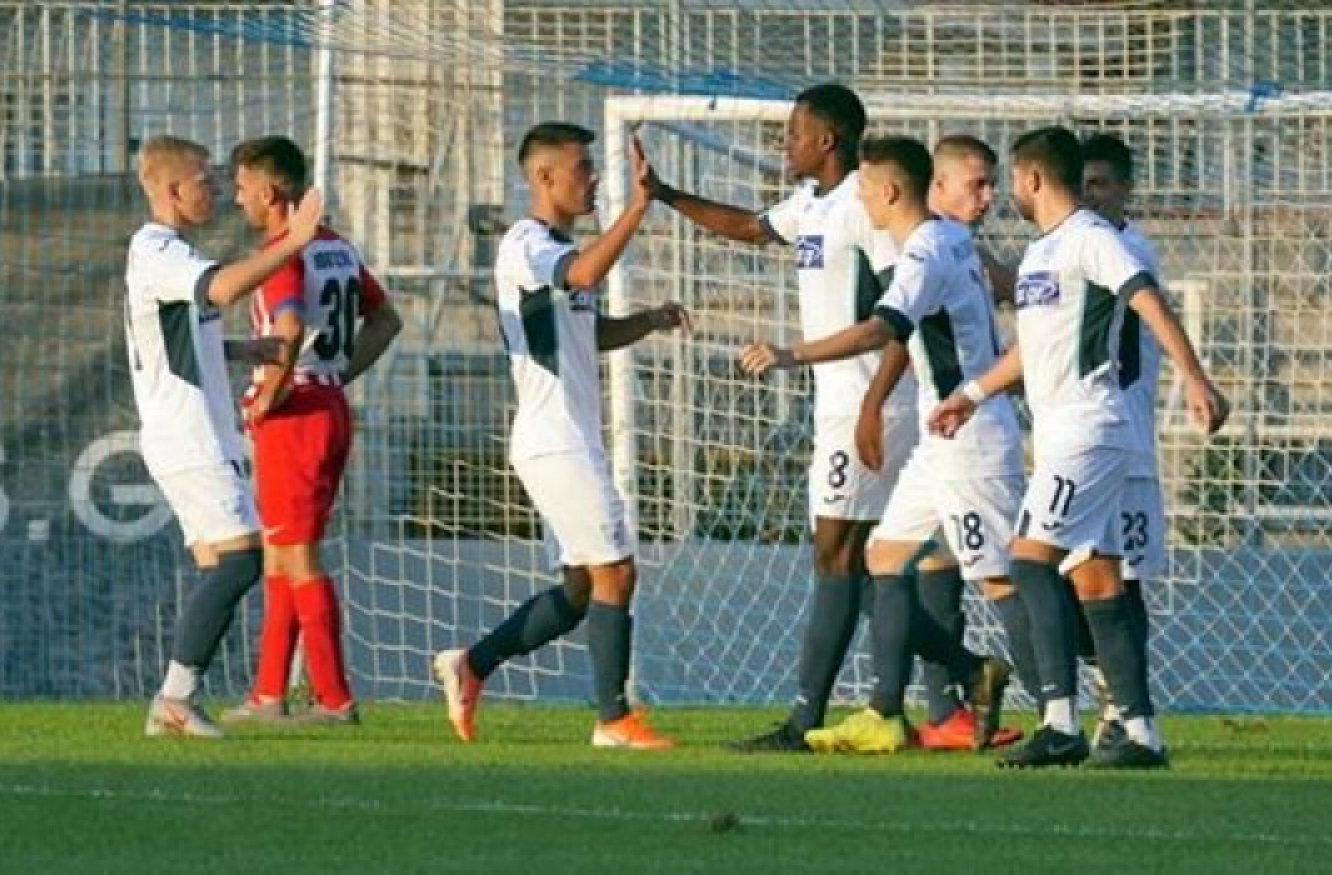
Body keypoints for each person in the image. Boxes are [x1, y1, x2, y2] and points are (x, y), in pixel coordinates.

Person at [929, 126, 1228, 768]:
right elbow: (1034, 350)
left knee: (1029, 562)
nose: (1009, 192)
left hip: (1092, 430)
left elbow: (1146, 297)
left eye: (1013, 179)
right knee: (1097, 582)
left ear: (1033, 179)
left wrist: (1194, 376)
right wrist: (970, 395)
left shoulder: (1093, 238)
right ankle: (1141, 733)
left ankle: (1059, 722)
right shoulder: (1043, 253)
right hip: (1069, 433)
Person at [644, 82, 920, 753]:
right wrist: (666, 195)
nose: (784, 142)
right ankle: (957, 676)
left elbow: (903, 316)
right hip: (839, 402)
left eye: (794, 131)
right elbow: (748, 227)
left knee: (838, 554)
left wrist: (873, 406)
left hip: (869, 403)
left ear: (827, 139)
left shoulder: (865, 206)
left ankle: (806, 720)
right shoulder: (809, 203)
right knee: (859, 558)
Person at [738, 137, 1015, 754]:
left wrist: (800, 360)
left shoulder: (925, 247)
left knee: (998, 578)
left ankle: (1064, 709)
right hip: (939, 428)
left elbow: (887, 328)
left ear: (891, 189)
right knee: (888, 559)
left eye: (864, 189)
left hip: (957, 430)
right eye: (978, 184)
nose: (858, 198)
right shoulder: (949, 242)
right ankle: (909, 704)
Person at [433, 122, 690, 749]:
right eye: (582, 167)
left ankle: (473, 664)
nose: (594, 178)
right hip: (555, 439)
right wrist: (639, 208)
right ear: (545, 177)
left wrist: (648, 321)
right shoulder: (527, 244)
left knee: (580, 589)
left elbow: (587, 330)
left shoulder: (555, 250)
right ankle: (613, 720)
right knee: (616, 572)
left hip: (569, 438)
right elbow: (582, 276)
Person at [124, 135, 322, 737]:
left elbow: (174, 337)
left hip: (194, 434)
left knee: (222, 563)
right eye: (204, 181)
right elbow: (224, 289)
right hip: (188, 436)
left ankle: (179, 700)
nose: (214, 189)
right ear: (171, 190)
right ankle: (174, 698)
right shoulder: (157, 248)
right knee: (241, 562)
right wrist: (294, 240)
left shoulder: (172, 253)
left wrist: (242, 349)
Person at [220, 135, 403, 726]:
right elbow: (386, 319)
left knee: (297, 557)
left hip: (295, 415)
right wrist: (337, 375)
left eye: (243, 188)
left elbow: (290, 327)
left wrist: (269, 397)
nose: (238, 199)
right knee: (281, 552)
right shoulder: (337, 249)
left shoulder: (284, 253)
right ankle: (268, 695)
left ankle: (333, 699)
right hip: (326, 404)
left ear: (270, 192)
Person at [1078, 132, 1164, 753]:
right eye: (1081, 185)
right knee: (1070, 574)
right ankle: (1117, 700)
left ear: (1126, 190)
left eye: (1102, 184)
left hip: (1126, 443)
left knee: (1121, 581)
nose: (1091, 196)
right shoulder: (1081, 249)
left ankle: (1126, 711)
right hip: (1089, 444)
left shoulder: (1128, 252)